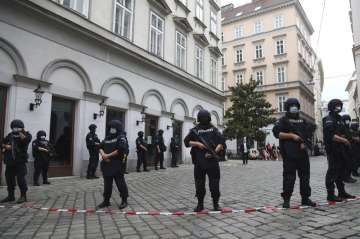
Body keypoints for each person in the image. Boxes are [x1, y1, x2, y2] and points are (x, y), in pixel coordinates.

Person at [273, 98, 316, 208]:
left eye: (295, 105)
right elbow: (278, 134)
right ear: (287, 107)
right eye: (292, 105)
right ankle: (286, 200)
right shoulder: (283, 120)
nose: (294, 107)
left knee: (305, 177)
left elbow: (308, 133)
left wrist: (304, 143)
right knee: (289, 177)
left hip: (302, 153)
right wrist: (292, 136)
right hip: (289, 154)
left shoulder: (303, 120)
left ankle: (305, 198)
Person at [184, 109, 226, 212]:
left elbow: (221, 142)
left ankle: (214, 204)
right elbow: (186, 142)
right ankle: (201, 204)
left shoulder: (213, 129)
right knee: (200, 185)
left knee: (213, 184)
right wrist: (198, 144)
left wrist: (213, 152)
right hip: (200, 162)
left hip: (211, 162)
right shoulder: (196, 130)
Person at [323, 99, 355, 202]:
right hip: (333, 150)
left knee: (341, 172)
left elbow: (344, 131)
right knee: (332, 172)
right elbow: (330, 135)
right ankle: (330, 194)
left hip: (341, 150)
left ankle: (342, 192)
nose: (339, 107)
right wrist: (343, 140)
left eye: (339, 105)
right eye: (336, 105)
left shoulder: (339, 118)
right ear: (331, 107)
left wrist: (347, 138)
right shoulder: (329, 118)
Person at [96, 120, 128, 210]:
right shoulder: (107, 138)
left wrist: (107, 155)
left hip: (117, 164)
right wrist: (103, 155)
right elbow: (100, 147)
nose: (111, 129)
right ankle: (106, 201)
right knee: (107, 184)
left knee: (120, 183)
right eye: (110, 127)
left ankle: (124, 200)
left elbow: (120, 149)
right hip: (107, 165)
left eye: (113, 127)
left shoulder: (121, 137)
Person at [1, 119, 32, 203]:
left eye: (18, 128)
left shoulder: (27, 135)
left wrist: (21, 133)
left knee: (20, 178)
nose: (16, 129)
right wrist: (6, 146)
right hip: (10, 161)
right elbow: (2, 143)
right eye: (15, 128)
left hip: (20, 161)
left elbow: (26, 141)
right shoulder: (9, 136)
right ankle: (11, 196)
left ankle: (23, 196)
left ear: (22, 127)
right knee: (9, 178)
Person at [341, 115, 357, 183]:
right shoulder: (342, 127)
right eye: (346, 120)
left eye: (348, 120)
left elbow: (349, 136)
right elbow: (344, 136)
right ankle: (346, 177)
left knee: (350, 162)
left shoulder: (347, 128)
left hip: (349, 147)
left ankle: (348, 176)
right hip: (344, 148)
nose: (348, 121)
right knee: (347, 163)